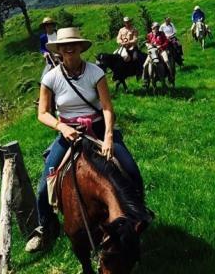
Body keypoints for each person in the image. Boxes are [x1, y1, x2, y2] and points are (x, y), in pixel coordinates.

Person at [25, 27, 144, 252]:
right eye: (64, 46)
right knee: (43, 187)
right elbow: (42, 113)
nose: (69, 49)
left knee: (131, 169)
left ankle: (138, 217)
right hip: (68, 132)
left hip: (99, 128)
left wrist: (109, 136)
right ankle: (45, 228)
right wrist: (61, 126)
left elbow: (108, 108)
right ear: (58, 50)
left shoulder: (95, 72)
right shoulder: (50, 78)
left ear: (80, 47)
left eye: (73, 44)